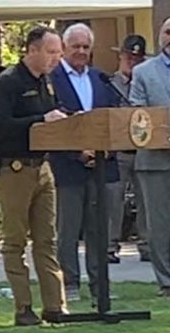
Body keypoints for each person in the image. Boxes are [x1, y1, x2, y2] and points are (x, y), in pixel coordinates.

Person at [0, 25, 68, 326]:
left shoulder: (46, 82)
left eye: (59, 53)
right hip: (14, 168)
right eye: (50, 52)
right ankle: (23, 307)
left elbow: (51, 115)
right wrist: (40, 119)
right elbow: (1, 127)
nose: (56, 59)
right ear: (32, 50)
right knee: (15, 240)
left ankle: (55, 306)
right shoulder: (7, 83)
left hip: (42, 167)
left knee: (47, 240)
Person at [47, 23, 119, 303]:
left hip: (101, 167)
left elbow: (113, 118)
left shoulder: (102, 78)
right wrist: (79, 151)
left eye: (85, 47)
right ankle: (70, 285)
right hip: (69, 166)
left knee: (98, 230)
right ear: (64, 48)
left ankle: (101, 287)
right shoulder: (52, 79)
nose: (80, 52)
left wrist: (102, 151)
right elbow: (52, 123)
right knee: (68, 230)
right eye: (75, 46)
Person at [128, 17, 170, 297]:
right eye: (168, 32)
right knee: (159, 225)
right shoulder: (143, 72)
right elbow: (136, 113)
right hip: (155, 161)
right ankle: (167, 281)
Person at [110, 34, 149, 262]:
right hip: (119, 151)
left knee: (147, 202)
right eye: (128, 57)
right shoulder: (109, 84)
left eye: (137, 58)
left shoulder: (145, 82)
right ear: (121, 56)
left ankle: (148, 247)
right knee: (113, 201)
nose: (132, 62)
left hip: (144, 151)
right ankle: (109, 247)